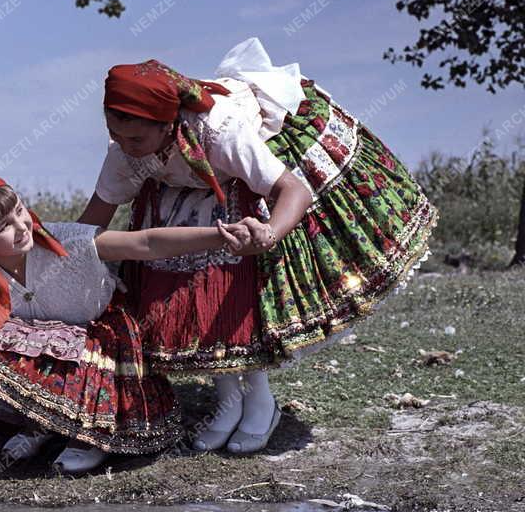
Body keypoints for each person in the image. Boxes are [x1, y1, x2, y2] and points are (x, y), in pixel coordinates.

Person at [77, 37, 438, 455]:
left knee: (234, 287)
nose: (124, 146)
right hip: (189, 186)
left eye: (135, 138)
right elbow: (90, 224)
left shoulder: (221, 133)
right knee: (192, 292)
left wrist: (268, 234)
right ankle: (228, 404)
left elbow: (293, 190)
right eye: (114, 134)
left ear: (168, 124)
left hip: (249, 177)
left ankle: (260, 404)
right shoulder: (127, 151)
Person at [0, 175, 256, 500]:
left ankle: (91, 435)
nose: (21, 228)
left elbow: (147, 242)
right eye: (4, 227)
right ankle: (41, 424)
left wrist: (221, 234)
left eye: (19, 211)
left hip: (104, 340)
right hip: (55, 354)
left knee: (62, 343)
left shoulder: (71, 240)